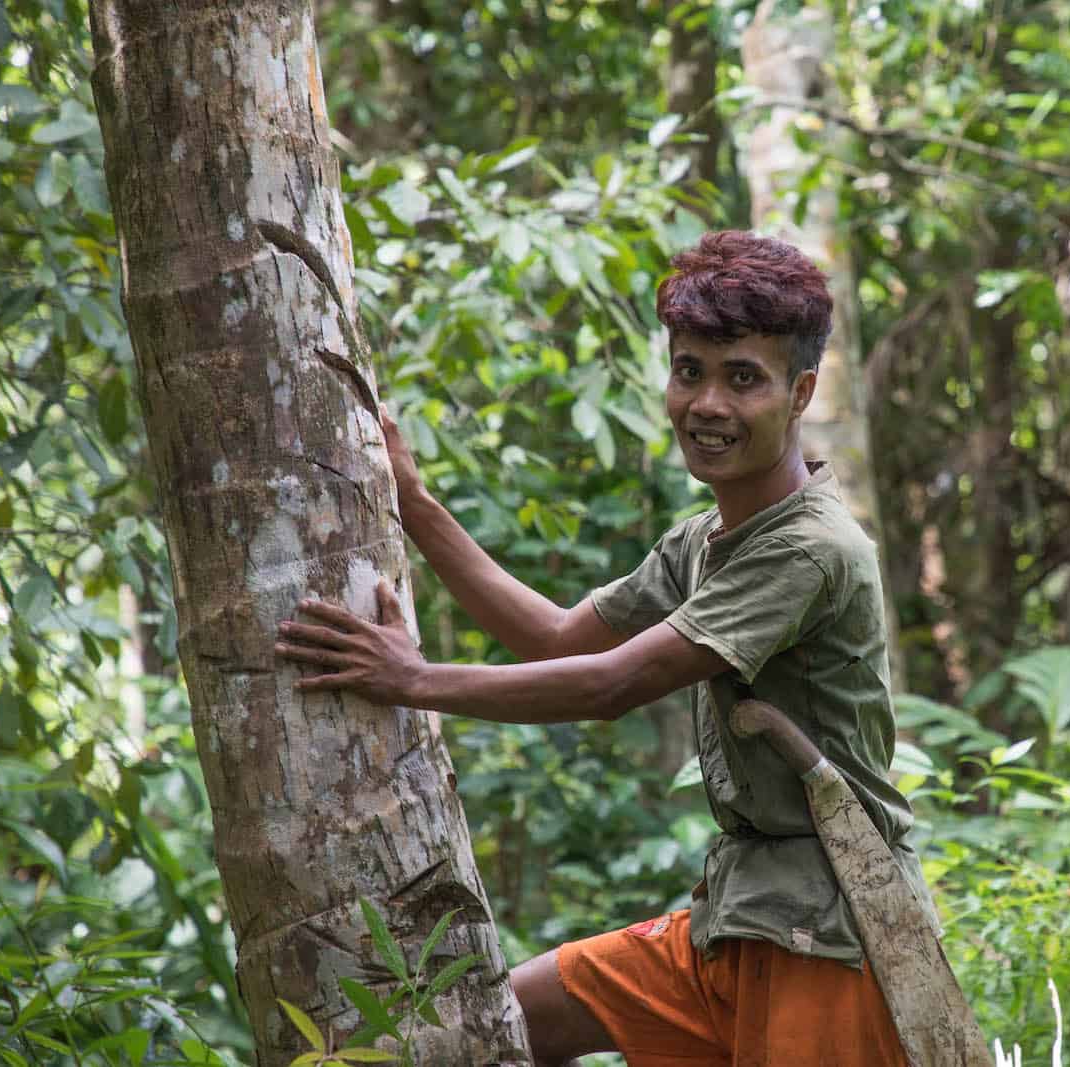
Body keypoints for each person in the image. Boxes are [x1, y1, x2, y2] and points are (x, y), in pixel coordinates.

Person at [274, 230, 932, 1066]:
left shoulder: (810, 549)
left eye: (744, 380)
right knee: (496, 1021)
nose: (708, 405)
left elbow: (610, 685)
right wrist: (414, 502)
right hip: (735, 919)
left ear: (800, 393)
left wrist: (410, 677)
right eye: (689, 371)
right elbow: (550, 636)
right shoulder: (704, 539)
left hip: (831, 940)